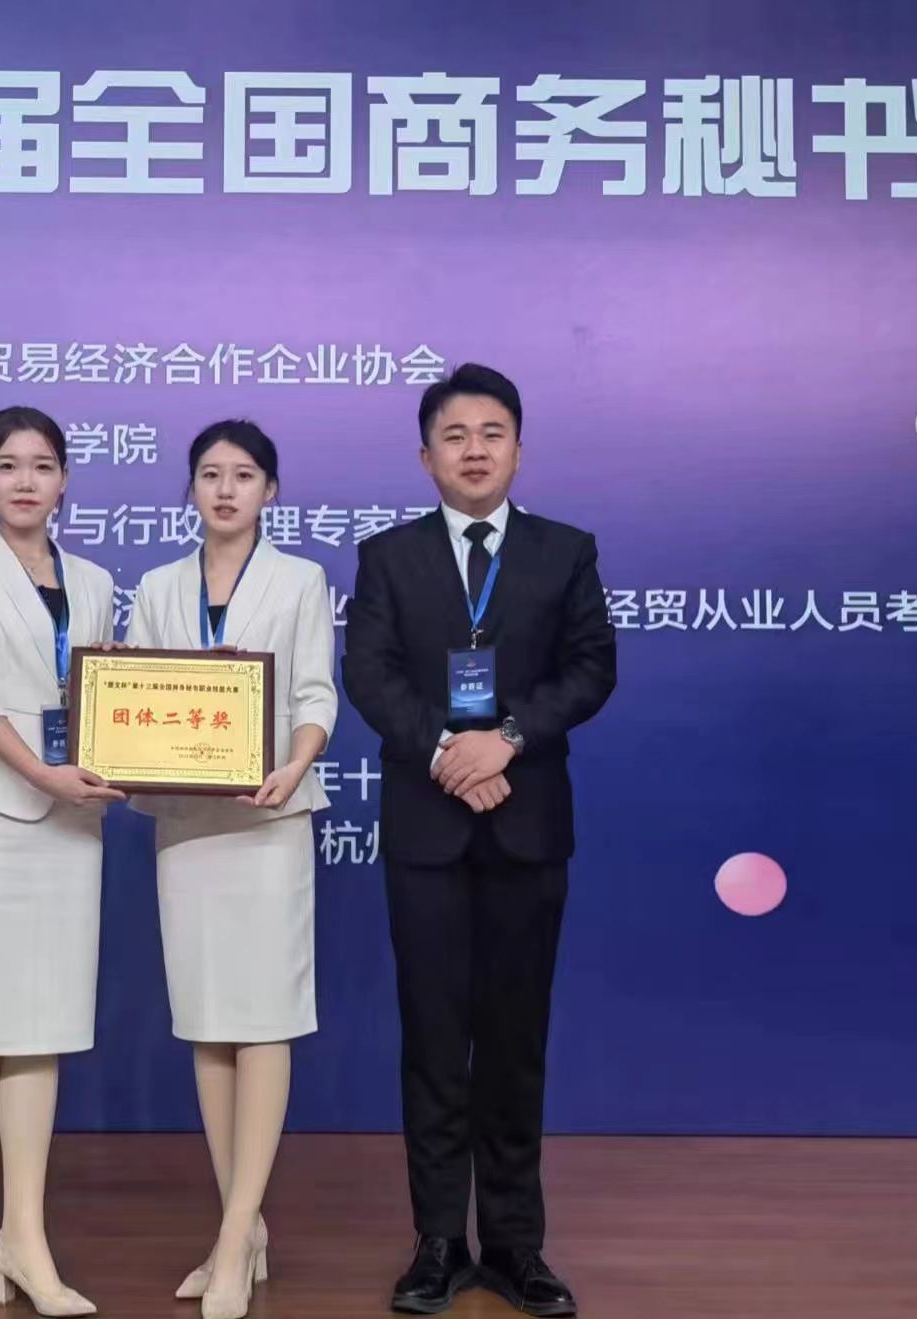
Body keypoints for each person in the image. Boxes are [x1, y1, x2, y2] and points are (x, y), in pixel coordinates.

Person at [342, 364, 616, 1318]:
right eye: (454, 435)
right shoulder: (388, 557)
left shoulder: (564, 551)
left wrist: (507, 738)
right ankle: (436, 1242)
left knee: (513, 1042)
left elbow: (592, 666)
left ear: (518, 450)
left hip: (526, 826)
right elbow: (369, 675)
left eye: (492, 433)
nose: (473, 450)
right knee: (431, 1042)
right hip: (427, 833)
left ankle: (514, 1244)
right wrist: (448, 753)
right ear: (426, 456)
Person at [125, 420, 338, 1319]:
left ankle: (235, 1233)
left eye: (243, 475)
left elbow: (316, 692)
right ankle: (239, 1231)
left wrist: (295, 762)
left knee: (264, 1018)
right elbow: (133, 695)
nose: (224, 489)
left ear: (270, 491)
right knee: (209, 1021)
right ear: (191, 489)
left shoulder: (301, 579)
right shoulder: (156, 586)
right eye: (209, 474)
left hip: (268, 818)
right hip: (186, 823)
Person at [0, 407, 124, 1318]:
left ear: (65, 480)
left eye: (43, 465)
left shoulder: (97, 581)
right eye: (6, 465)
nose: (25, 481)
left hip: (71, 820)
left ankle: (26, 1236)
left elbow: (105, 694)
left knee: (41, 1026)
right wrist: (44, 771)